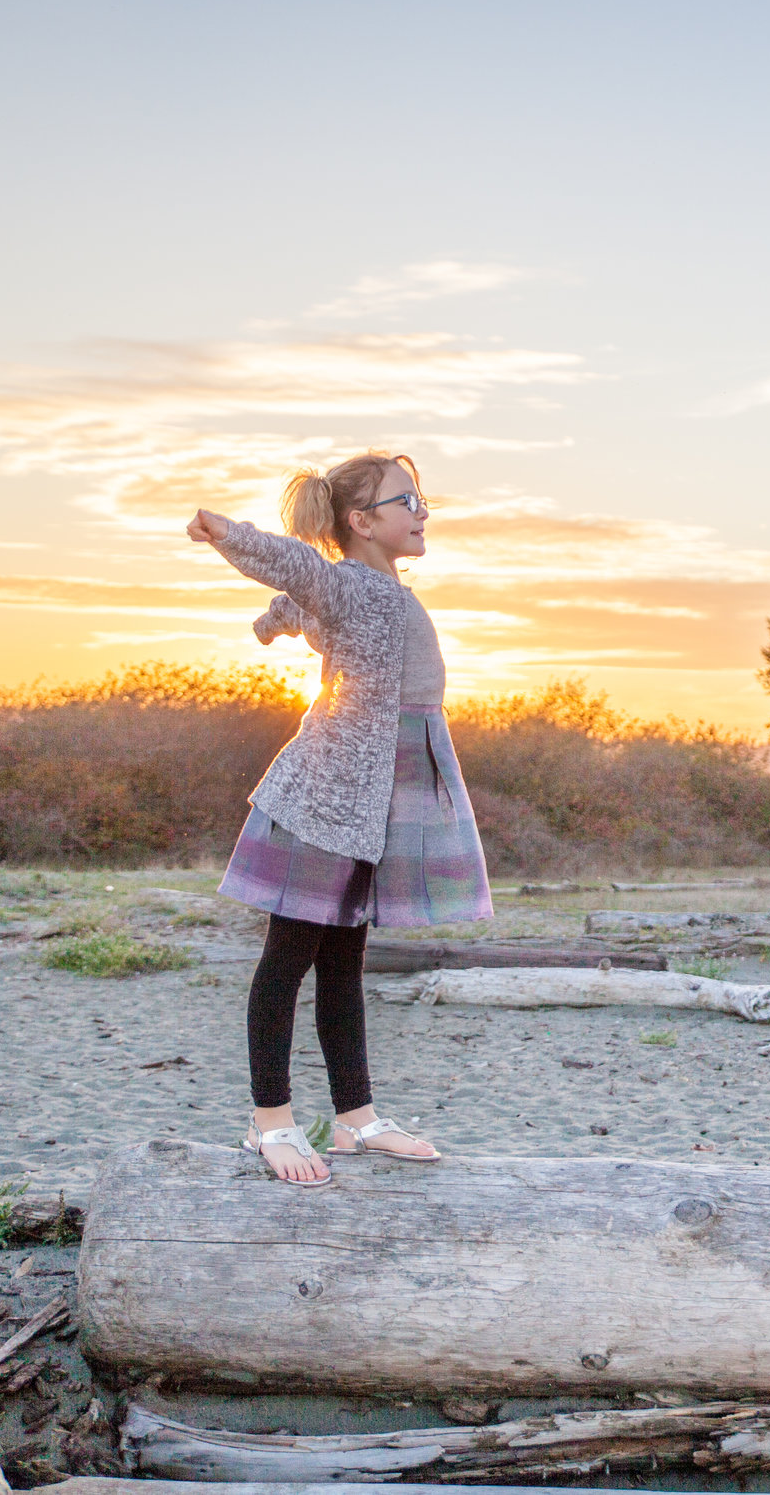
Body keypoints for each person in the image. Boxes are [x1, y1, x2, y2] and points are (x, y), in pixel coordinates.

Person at [187, 451, 493, 1187]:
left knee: (344, 965)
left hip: (371, 802)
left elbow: (305, 601)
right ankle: (270, 1121)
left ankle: (357, 1119)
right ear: (361, 521)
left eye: (421, 501)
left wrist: (275, 622)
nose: (421, 512)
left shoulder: (376, 589)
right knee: (287, 957)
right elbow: (302, 570)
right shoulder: (350, 582)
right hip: (326, 797)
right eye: (405, 501)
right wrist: (230, 534)